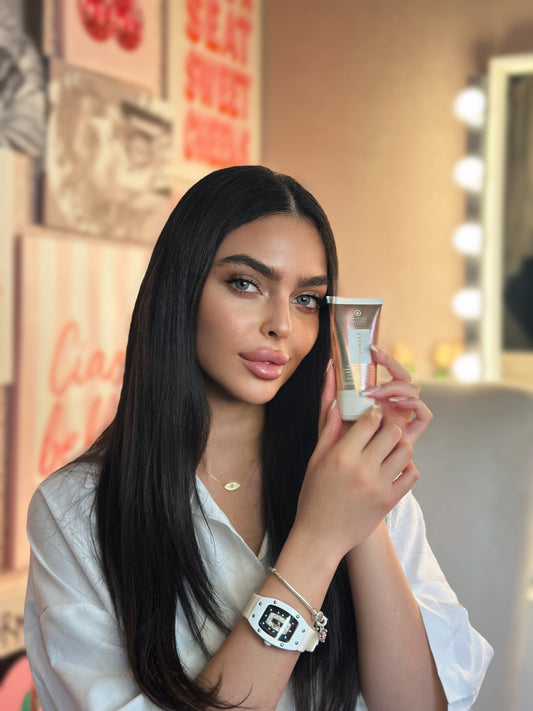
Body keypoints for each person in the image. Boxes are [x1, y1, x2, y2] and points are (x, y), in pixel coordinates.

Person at [24, 165, 493, 711]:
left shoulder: (352, 477)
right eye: (245, 284)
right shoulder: (77, 510)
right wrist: (318, 541)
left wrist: (359, 513)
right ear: (181, 288)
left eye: (306, 299)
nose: (282, 326)